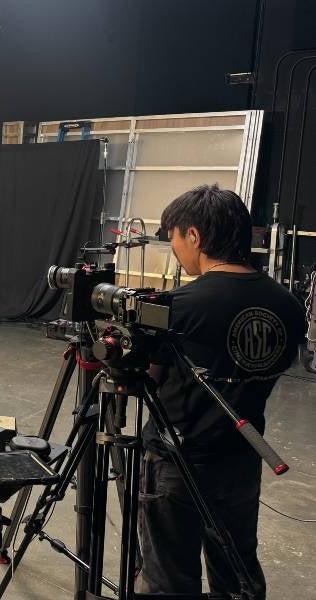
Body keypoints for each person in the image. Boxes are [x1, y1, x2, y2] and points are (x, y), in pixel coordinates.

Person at [139, 185, 305, 599]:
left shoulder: (179, 304)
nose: (174, 249)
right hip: (242, 457)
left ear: (193, 235)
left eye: (173, 237)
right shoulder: (287, 304)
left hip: (179, 460)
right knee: (237, 571)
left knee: (169, 579)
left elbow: (146, 377)